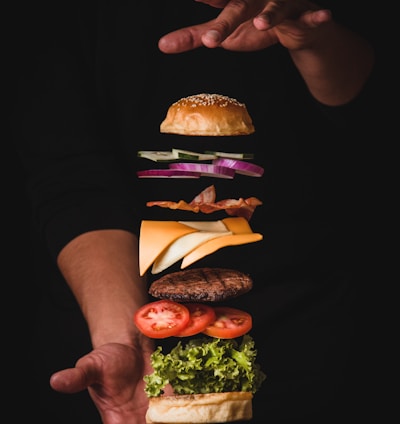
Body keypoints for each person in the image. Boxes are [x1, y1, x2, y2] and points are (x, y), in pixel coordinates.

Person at [10, 0, 385, 423]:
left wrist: (315, 44)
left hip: (317, 337)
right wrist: (126, 339)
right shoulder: (60, 16)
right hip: (112, 332)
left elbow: (373, 138)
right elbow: (74, 183)